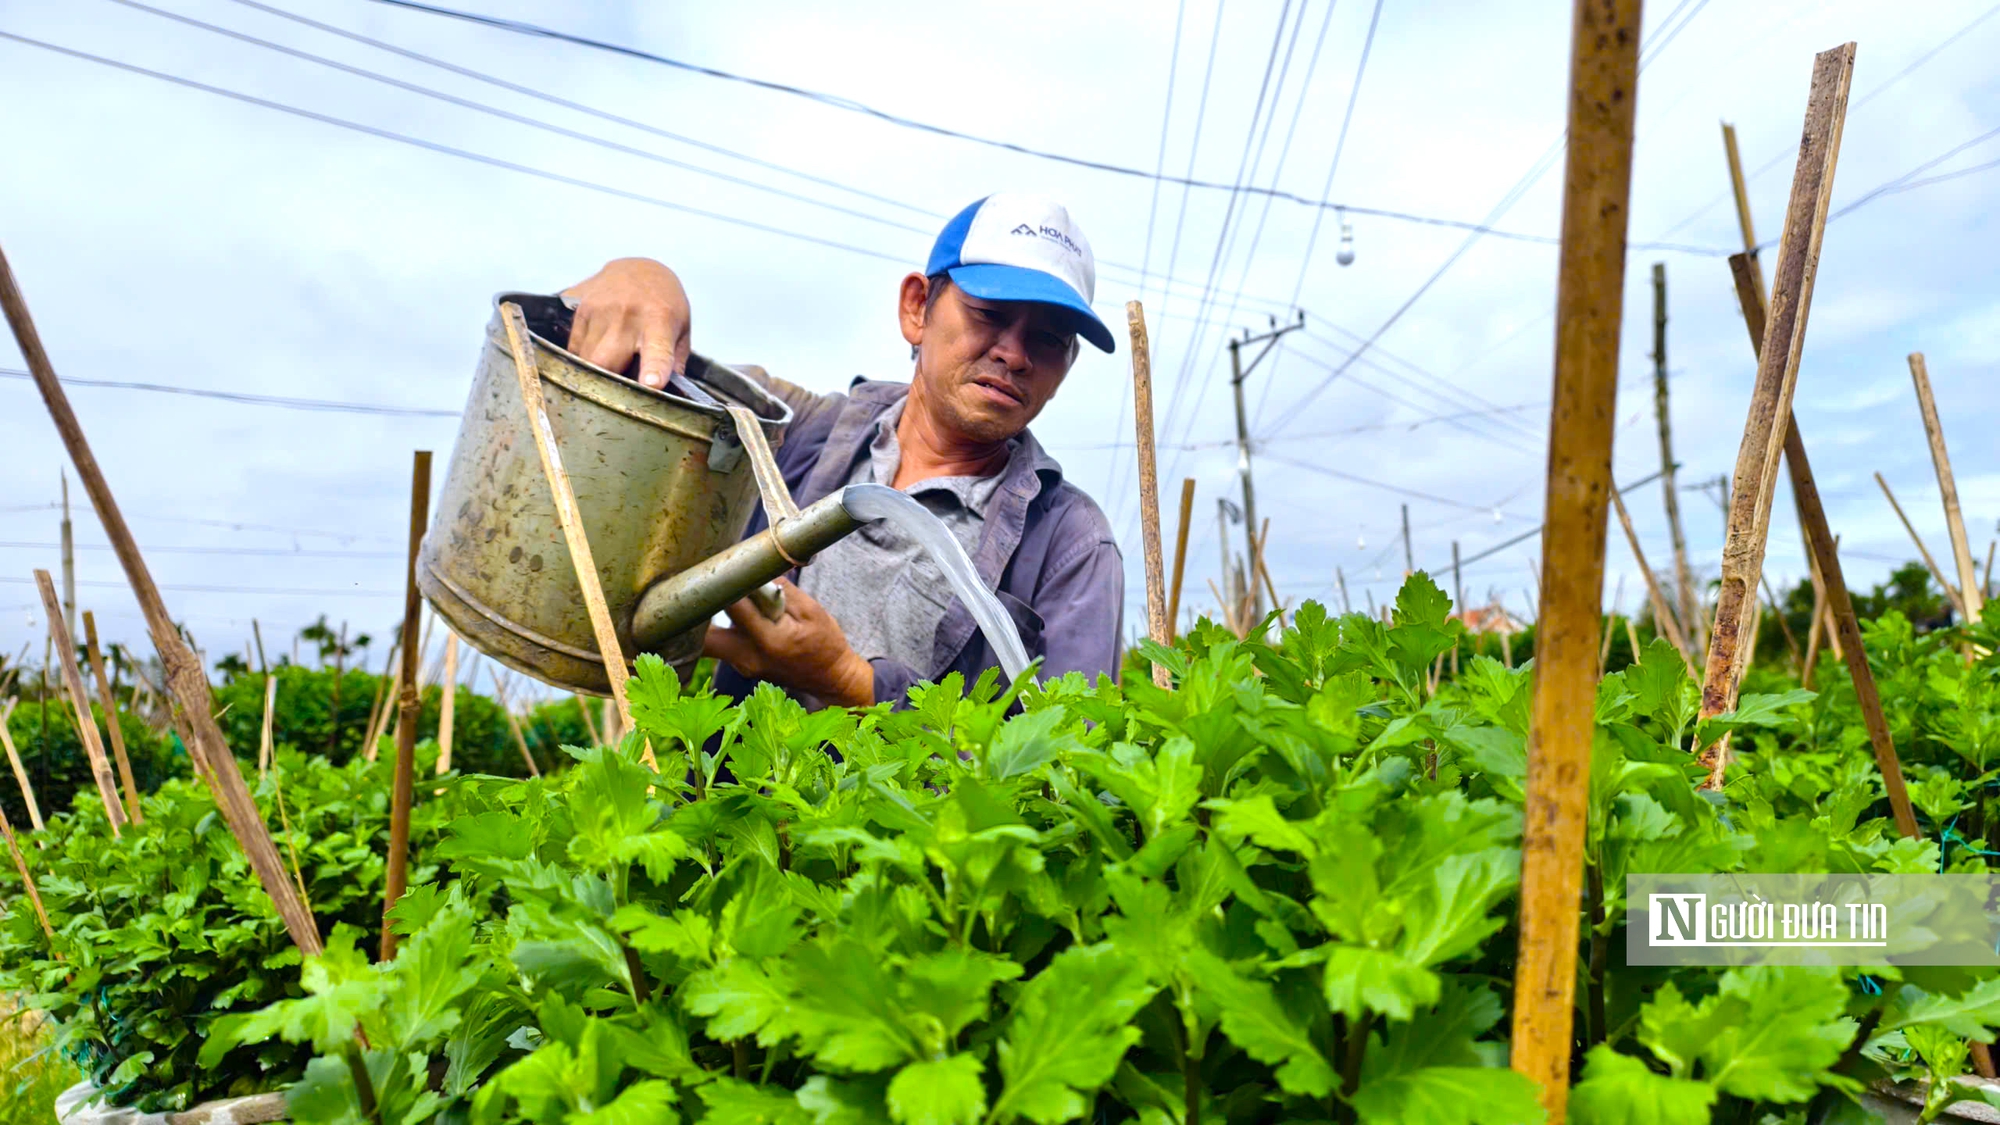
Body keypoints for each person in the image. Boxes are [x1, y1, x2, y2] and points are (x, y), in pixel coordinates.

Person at [559, 193, 1125, 708]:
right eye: (990, 315)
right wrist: (644, 279)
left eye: (1049, 338)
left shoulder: (1073, 545)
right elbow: (650, 374)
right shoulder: (794, 433)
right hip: (733, 816)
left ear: (1067, 365)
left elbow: (1069, 772)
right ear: (916, 307)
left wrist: (845, 678)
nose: (1015, 353)